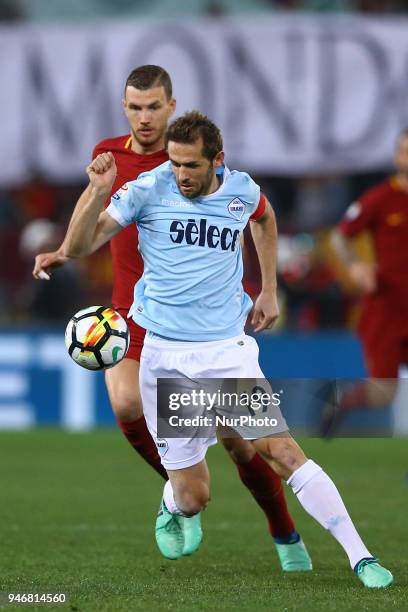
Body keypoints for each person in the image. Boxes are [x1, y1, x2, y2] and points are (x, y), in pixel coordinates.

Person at [62, 110, 393, 588]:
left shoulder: (241, 189)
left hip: (226, 352)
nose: (179, 174)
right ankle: (174, 501)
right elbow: (78, 247)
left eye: (190, 165)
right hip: (166, 360)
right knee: (195, 496)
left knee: (280, 449)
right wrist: (95, 192)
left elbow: (264, 217)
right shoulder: (147, 189)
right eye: (174, 163)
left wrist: (269, 289)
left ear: (218, 160)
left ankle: (361, 557)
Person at [33, 65, 311, 570]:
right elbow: (90, 225)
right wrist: (63, 250)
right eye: (135, 107)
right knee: (124, 403)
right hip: (131, 310)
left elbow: (254, 213)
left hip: (201, 320)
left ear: (171, 106)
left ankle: (284, 531)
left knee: (242, 445)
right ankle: (180, 495)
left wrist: (268, 288)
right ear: (125, 108)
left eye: (154, 106)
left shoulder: (191, 158)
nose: (144, 117)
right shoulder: (109, 153)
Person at [321, 128, 408, 437]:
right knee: (384, 393)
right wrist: (356, 266)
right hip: (387, 309)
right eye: (402, 151)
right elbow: (339, 236)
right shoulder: (381, 198)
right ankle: (342, 399)